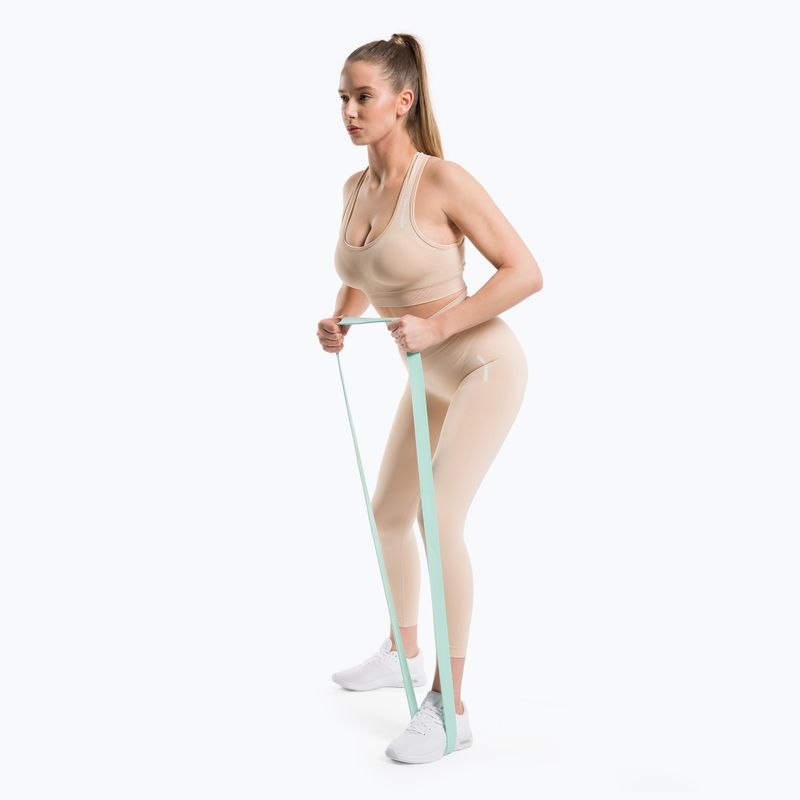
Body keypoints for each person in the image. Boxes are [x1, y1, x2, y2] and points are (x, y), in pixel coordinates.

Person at [317, 32, 543, 764]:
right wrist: (340, 318)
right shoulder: (355, 189)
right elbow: (364, 266)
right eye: (343, 98)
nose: (349, 111)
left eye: (364, 97)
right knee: (389, 510)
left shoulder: (442, 180)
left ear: (403, 101)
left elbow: (525, 270)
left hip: (481, 365)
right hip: (427, 375)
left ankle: (450, 708)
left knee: (437, 517)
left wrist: (440, 326)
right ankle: (402, 653)